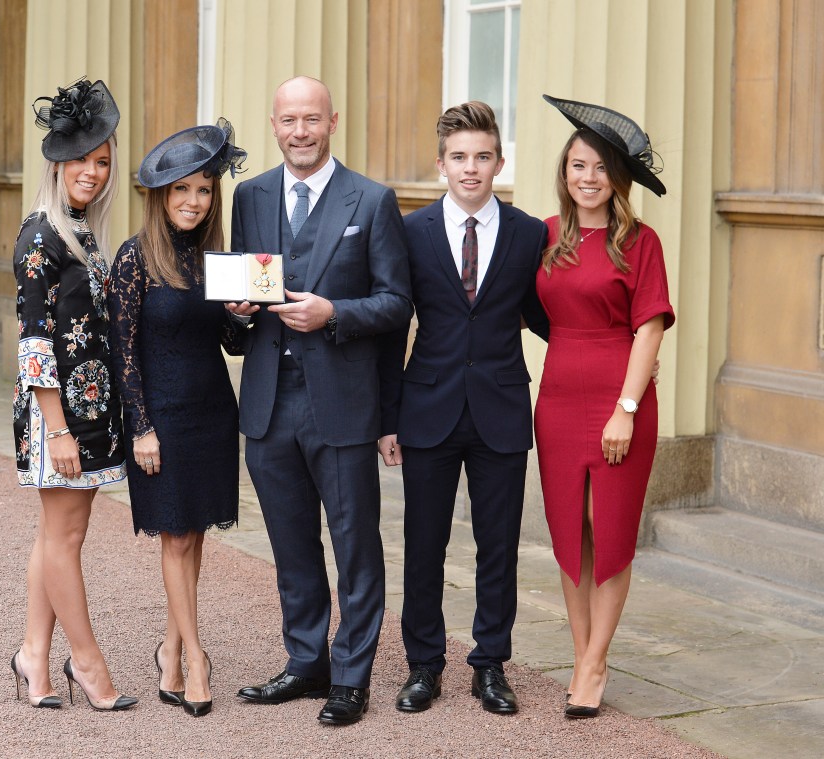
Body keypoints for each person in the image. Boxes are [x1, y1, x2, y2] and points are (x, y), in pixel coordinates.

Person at [226, 75, 413, 725]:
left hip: (342, 402)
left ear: (333, 121)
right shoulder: (248, 197)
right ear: (273, 125)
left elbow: (397, 304)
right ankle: (307, 662)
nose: (299, 131)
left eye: (311, 119)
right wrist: (240, 312)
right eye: (287, 120)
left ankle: (351, 672)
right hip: (269, 402)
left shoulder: (372, 199)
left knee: (355, 541)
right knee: (292, 542)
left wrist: (335, 311)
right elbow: (236, 314)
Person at [378, 102, 549, 716]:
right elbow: (395, 324)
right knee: (423, 544)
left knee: (497, 546)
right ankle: (423, 664)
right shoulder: (413, 230)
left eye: (482, 157)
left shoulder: (531, 234)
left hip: (501, 408)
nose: (471, 168)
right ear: (441, 163)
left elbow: (546, 316)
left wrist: (614, 344)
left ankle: (490, 664)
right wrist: (387, 417)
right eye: (459, 158)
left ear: (500, 162)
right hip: (427, 408)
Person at [536, 95, 674, 718]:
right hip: (559, 396)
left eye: (598, 168)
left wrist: (627, 404)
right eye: (576, 167)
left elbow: (650, 328)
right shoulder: (544, 236)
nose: (587, 179)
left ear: (617, 178)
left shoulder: (641, 242)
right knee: (572, 532)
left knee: (610, 531)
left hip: (622, 398)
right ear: (564, 175)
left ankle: (594, 664)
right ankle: (582, 654)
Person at [107, 120, 247, 717]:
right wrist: (140, 427)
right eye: (182, 190)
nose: (194, 201)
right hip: (159, 417)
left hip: (212, 411)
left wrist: (242, 314)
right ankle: (196, 656)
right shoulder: (136, 257)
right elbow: (123, 351)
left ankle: (169, 648)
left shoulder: (216, 259)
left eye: (205, 190)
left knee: (194, 537)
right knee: (173, 536)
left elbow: (229, 341)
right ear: (161, 195)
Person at [11, 78, 136, 711]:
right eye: (82, 158)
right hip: (56, 414)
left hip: (85, 414)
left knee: (57, 536)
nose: (93, 171)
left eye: (103, 160)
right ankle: (86, 662)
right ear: (56, 161)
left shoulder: (81, 231)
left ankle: (34, 655)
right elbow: (34, 343)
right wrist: (57, 428)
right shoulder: (40, 235)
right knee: (64, 538)